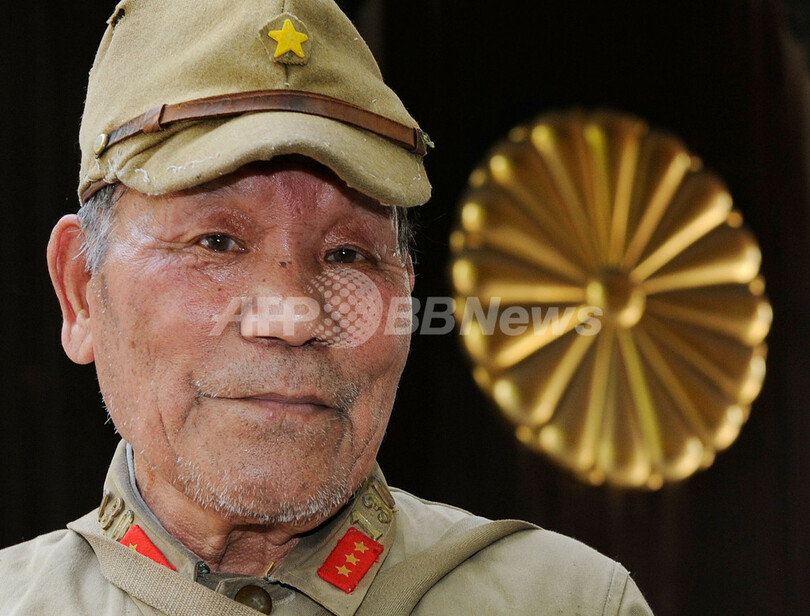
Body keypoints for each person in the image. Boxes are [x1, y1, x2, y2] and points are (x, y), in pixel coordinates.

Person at [0, 1, 653, 614]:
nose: (294, 315)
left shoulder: (569, 601)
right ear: (82, 291)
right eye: (216, 242)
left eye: (348, 255)